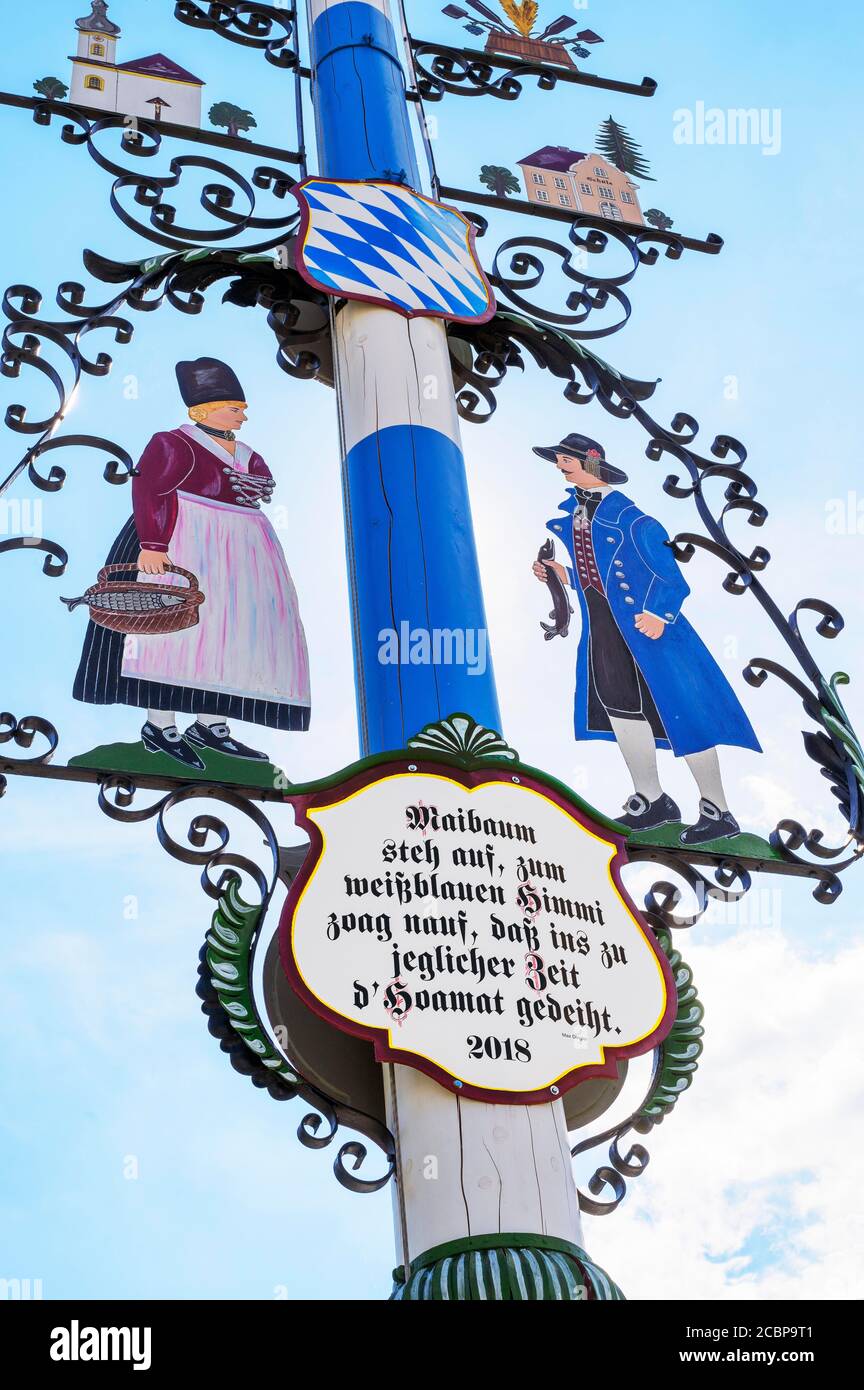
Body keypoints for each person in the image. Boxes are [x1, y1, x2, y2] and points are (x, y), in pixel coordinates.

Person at [73, 357, 310, 769]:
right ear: (205, 409)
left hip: (244, 549)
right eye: (234, 407)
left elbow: (260, 481)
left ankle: (210, 724)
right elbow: (151, 489)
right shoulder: (173, 442)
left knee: (230, 632)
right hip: (186, 537)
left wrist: (257, 484)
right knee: (169, 631)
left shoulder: (247, 452)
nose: (243, 414)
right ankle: (160, 724)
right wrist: (152, 543)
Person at [532, 432, 760, 844]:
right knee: (618, 705)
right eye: (558, 459)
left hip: (647, 630)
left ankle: (717, 809)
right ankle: (652, 800)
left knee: (682, 710)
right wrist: (559, 574)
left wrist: (658, 613)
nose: (560, 466)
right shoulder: (574, 517)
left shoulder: (634, 520)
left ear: (591, 460)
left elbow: (671, 578)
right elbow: (593, 575)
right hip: (603, 628)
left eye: (566, 458)